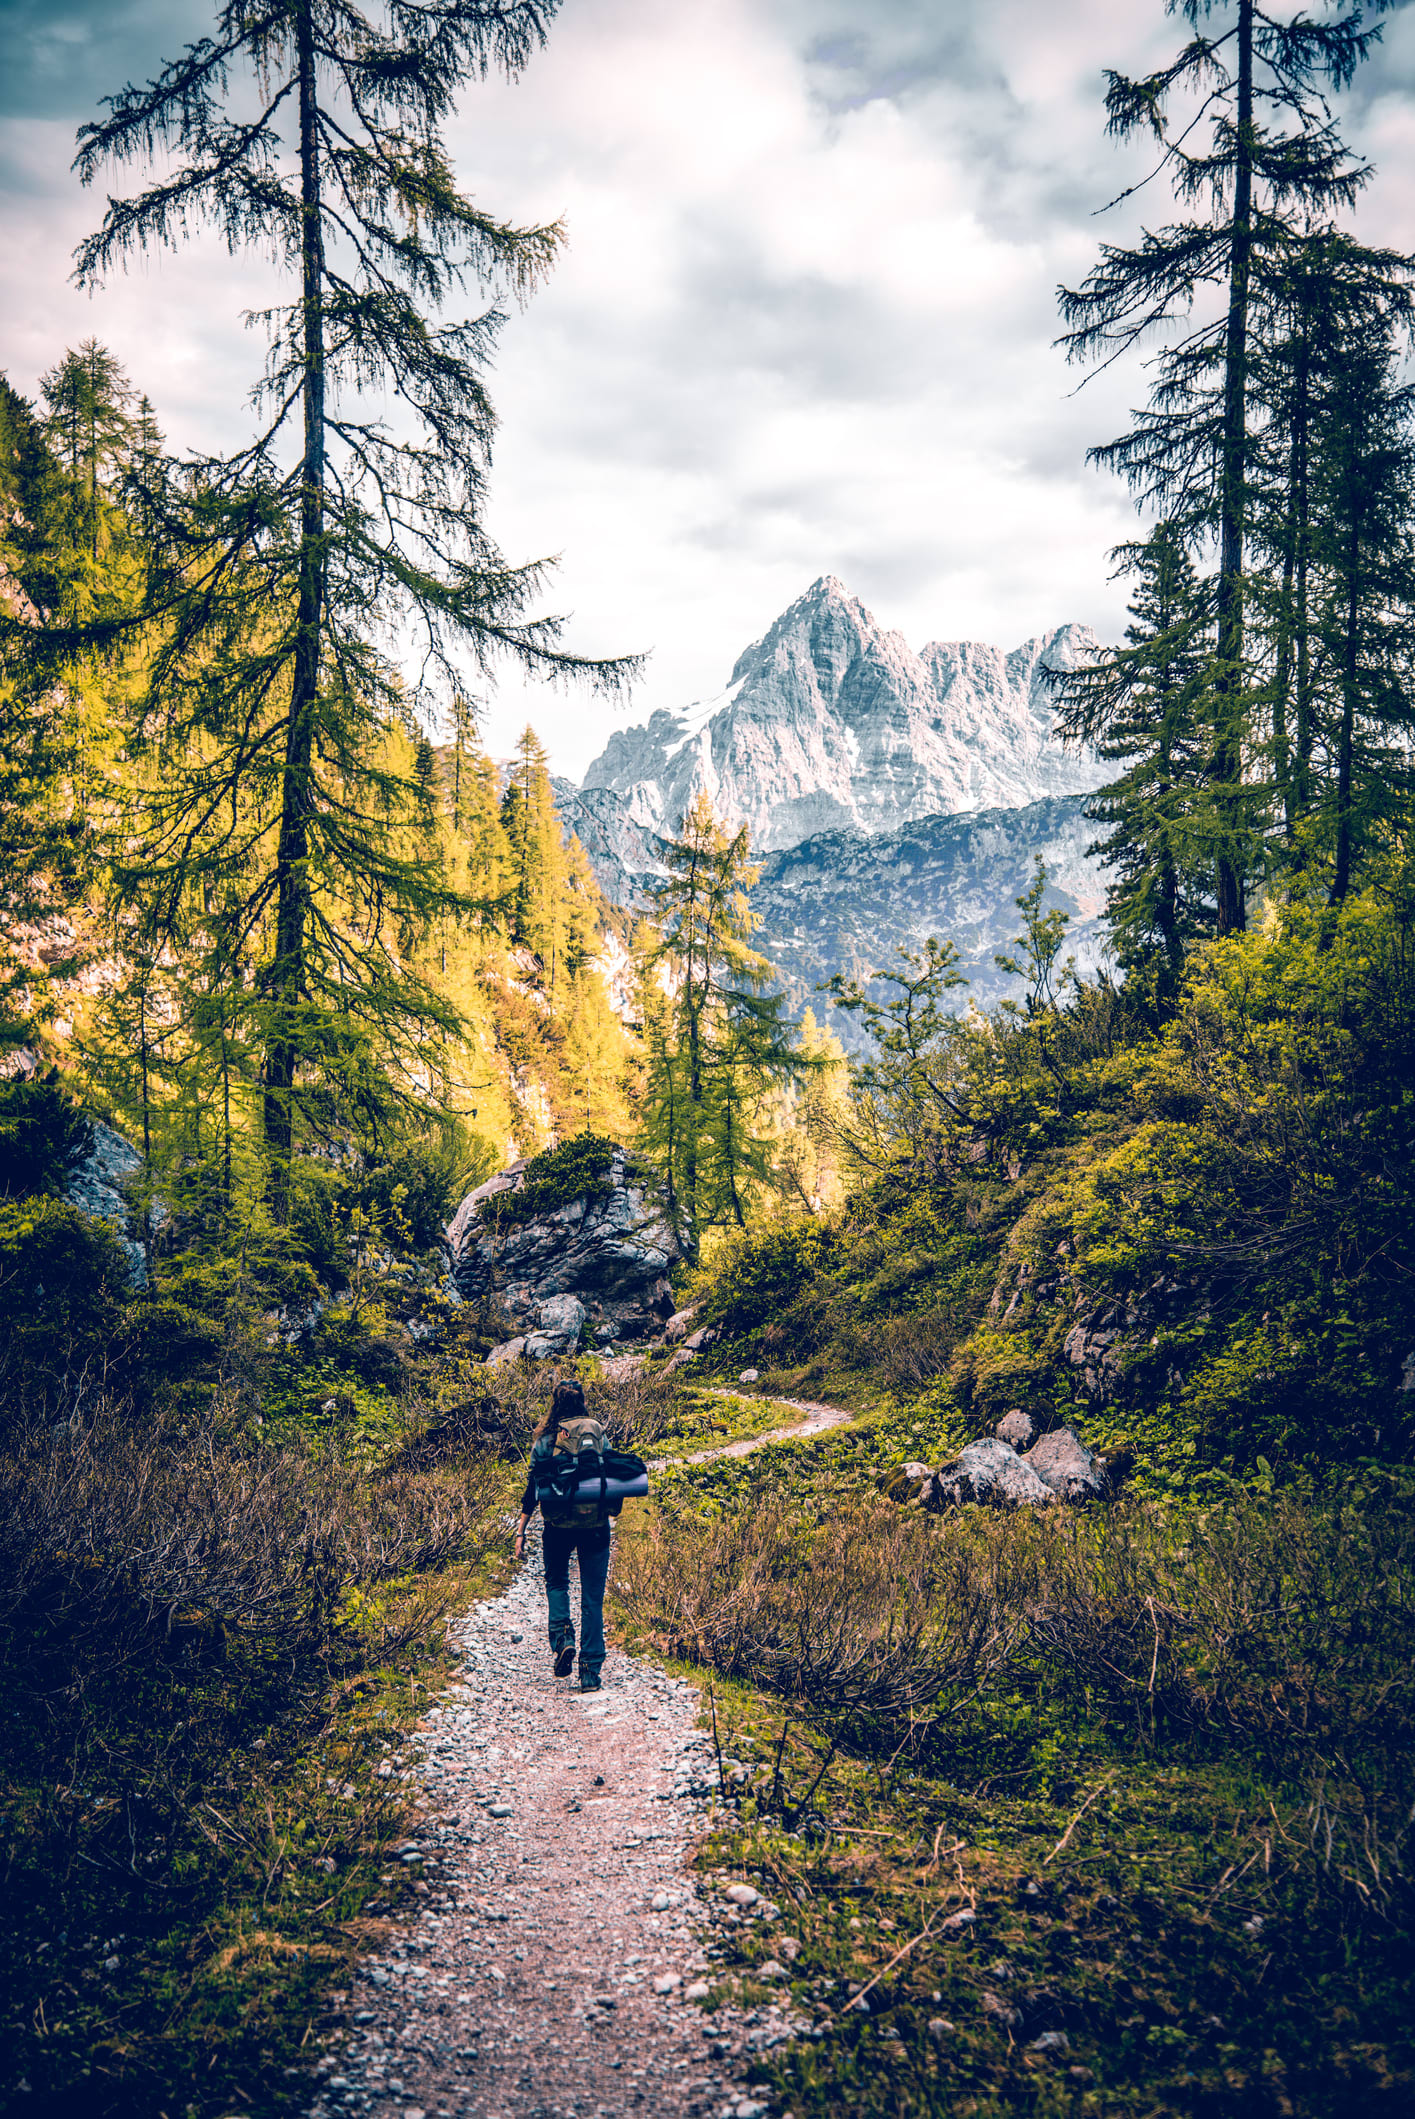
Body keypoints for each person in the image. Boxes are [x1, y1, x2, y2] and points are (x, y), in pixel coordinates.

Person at [514, 1377, 614, 1691]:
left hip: (556, 1527)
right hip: (596, 1526)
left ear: (555, 1403)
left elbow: (534, 1487)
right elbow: (610, 1471)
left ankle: (562, 1641)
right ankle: (590, 1673)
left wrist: (521, 1531)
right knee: (592, 1599)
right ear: (583, 1401)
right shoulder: (597, 1431)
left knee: (557, 1583)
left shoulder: (545, 1438)